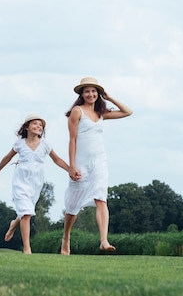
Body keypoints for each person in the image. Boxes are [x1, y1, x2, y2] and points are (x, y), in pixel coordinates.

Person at [60, 77, 132, 255]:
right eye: (87, 91)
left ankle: (103, 240)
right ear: (82, 94)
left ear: (98, 93)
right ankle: (66, 238)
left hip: (99, 162)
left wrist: (110, 97)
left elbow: (127, 112)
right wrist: (71, 166)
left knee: (101, 198)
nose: (91, 94)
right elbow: (72, 140)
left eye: (94, 91)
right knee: (72, 207)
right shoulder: (77, 112)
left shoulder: (101, 113)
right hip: (81, 164)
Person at [0, 113, 76, 254]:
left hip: (36, 183)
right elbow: (7, 158)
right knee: (26, 214)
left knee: (26, 211)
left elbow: (57, 160)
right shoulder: (19, 143)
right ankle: (27, 249)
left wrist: (70, 169)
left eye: (41, 125)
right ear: (27, 127)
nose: (38, 126)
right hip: (20, 181)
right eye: (35, 124)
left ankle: (14, 224)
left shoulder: (45, 144)